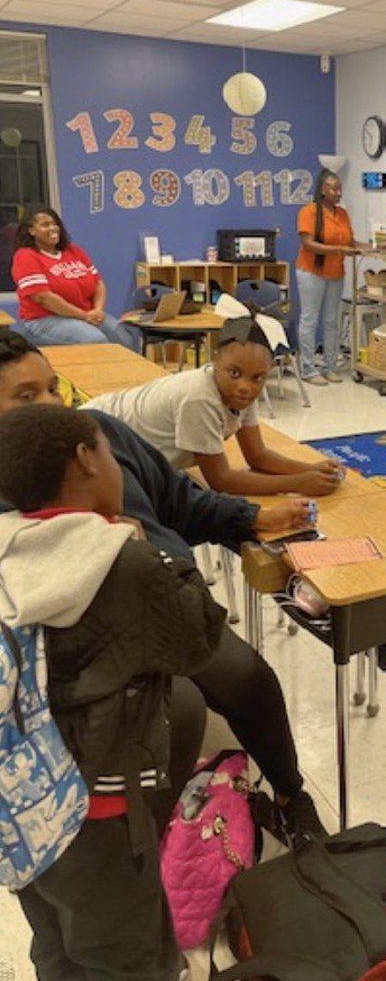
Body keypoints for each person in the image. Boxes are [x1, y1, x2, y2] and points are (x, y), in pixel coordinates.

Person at [0, 327, 328, 847]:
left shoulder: (99, 432)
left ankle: (289, 798)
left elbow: (179, 500)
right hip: (83, 649)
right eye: (25, 397)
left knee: (249, 678)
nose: (50, 406)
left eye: (52, 388)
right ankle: (156, 844)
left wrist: (253, 516)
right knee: (174, 711)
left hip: (173, 604)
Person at [0, 403, 226, 981]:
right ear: (86, 459)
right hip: (101, 805)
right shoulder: (121, 559)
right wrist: (148, 543)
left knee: (56, 940)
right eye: (106, 450)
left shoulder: (9, 547)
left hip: (25, 803)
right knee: (130, 955)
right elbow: (198, 637)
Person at [83, 312, 343, 497]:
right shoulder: (199, 398)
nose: (245, 385)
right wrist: (298, 483)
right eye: (234, 373)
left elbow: (257, 456)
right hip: (96, 438)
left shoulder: (240, 393)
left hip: (120, 444)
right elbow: (221, 480)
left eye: (258, 378)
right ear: (215, 362)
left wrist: (312, 470)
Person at [11, 204, 136, 348]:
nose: (53, 228)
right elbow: (44, 298)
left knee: (123, 336)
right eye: (45, 225)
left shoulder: (74, 251)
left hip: (86, 315)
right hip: (43, 320)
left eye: (54, 224)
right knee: (94, 340)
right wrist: (84, 316)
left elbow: (98, 284)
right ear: (31, 231)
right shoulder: (26, 256)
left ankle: (130, 371)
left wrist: (98, 310)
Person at [296, 168, 369, 385]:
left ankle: (329, 365)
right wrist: (338, 250)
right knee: (309, 320)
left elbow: (350, 244)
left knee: (330, 321)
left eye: (340, 189)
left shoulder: (342, 214)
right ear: (322, 189)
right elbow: (308, 244)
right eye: (333, 188)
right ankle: (308, 368)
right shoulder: (308, 212)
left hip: (335, 273)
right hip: (311, 272)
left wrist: (376, 247)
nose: (338, 193)